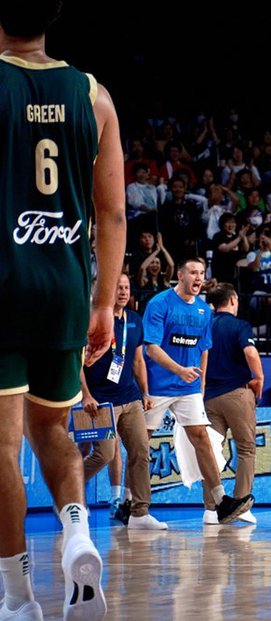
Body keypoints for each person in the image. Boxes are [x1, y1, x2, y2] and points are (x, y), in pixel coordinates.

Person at [0, 2, 126, 618]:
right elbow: (113, 214)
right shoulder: (93, 94)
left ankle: (19, 597)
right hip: (66, 286)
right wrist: (103, 301)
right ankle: (77, 532)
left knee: (2, 447)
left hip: (3, 282)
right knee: (53, 428)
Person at [142, 258, 254, 525]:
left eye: (202, 273)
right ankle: (132, 505)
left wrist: (199, 385)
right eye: (193, 272)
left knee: (202, 439)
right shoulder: (160, 303)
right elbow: (151, 348)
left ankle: (220, 502)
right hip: (158, 385)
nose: (198, 277)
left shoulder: (204, 311)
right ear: (180, 275)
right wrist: (180, 369)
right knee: (140, 445)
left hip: (189, 387)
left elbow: (204, 349)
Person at [80, 274, 165, 530]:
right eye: (118, 287)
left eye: (127, 287)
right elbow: (76, 361)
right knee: (104, 454)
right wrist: (86, 394)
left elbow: (138, 361)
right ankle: (68, 495)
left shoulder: (135, 321)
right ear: (104, 289)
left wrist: (145, 392)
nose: (123, 292)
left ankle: (139, 514)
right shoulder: (90, 319)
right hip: (100, 402)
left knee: (141, 452)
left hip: (130, 398)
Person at [202, 283, 264, 525]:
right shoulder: (239, 325)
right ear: (233, 300)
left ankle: (210, 509)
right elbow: (250, 352)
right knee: (247, 448)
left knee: (210, 453)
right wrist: (258, 377)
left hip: (208, 397)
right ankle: (241, 504)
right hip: (236, 393)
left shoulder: (205, 324)